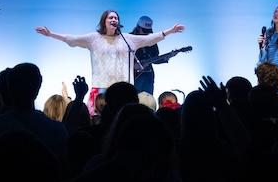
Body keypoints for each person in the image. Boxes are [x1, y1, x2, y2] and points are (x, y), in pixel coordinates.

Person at [34, 10, 185, 109]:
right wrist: (51, 34)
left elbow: (150, 39)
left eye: (116, 17)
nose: (114, 19)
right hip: (100, 87)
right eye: (110, 17)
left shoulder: (128, 39)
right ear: (104, 21)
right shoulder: (94, 38)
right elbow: (71, 38)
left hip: (124, 88)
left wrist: (170, 31)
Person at [130, 16, 159, 95]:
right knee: (133, 99)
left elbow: (155, 57)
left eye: (148, 31)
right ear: (138, 28)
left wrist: (167, 57)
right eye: (144, 30)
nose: (147, 33)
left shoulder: (152, 39)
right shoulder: (129, 38)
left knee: (148, 99)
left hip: (148, 75)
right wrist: (133, 65)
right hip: (133, 75)